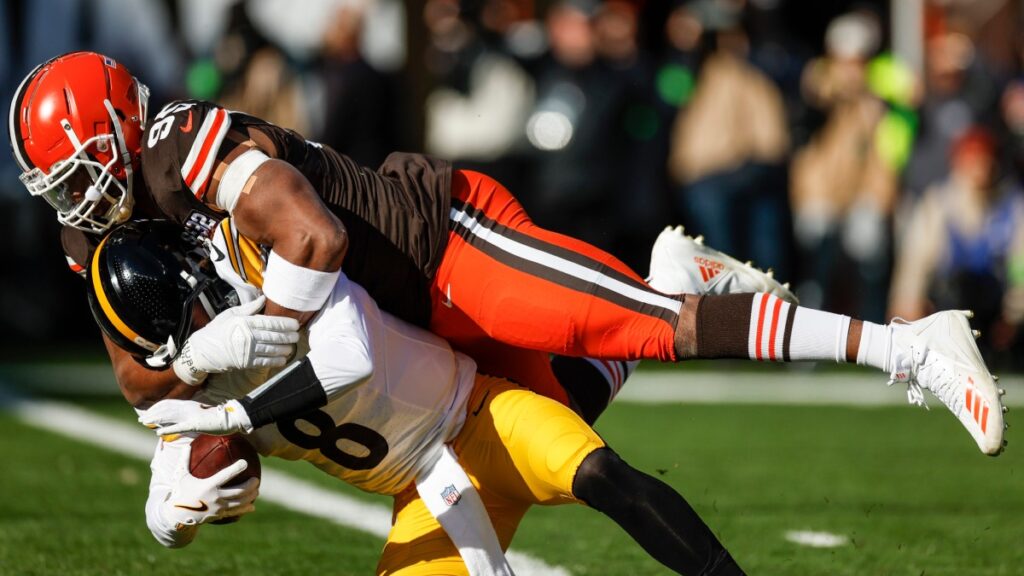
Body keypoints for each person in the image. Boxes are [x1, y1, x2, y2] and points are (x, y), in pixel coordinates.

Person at [10, 51, 1007, 455]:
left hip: (441, 243)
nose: (72, 200)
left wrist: (257, 342)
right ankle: (676, 275)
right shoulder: (99, 227)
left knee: (653, 330)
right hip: (398, 310)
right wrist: (186, 402)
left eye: (77, 172)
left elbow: (312, 240)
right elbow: (140, 382)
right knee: (552, 415)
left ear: (119, 132)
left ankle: (913, 345)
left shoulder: (193, 146)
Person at [91, 219, 745, 575]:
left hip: (478, 414)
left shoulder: (282, 271)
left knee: (600, 473)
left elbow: (353, 357)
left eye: (206, 294)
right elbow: (163, 511)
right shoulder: (181, 396)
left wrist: (239, 413)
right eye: (193, 317)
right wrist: (186, 509)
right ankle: (672, 276)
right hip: (425, 493)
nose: (212, 310)